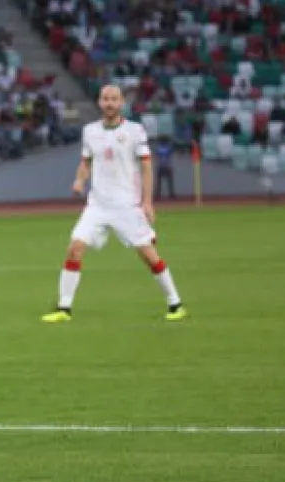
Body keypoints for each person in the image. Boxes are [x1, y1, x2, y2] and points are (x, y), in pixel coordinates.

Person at [40, 85, 187, 323]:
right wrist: (79, 180)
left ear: (121, 104)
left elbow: (147, 166)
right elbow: (86, 161)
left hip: (126, 205)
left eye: (114, 99)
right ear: (99, 102)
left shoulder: (135, 131)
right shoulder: (90, 131)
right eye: (105, 99)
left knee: (148, 254)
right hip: (97, 205)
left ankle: (175, 303)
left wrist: (147, 203)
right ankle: (64, 308)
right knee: (75, 248)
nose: (109, 103)